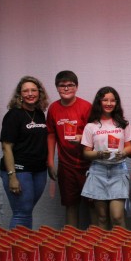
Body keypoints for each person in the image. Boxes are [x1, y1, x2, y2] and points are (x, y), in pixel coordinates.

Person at [0, 76, 49, 229]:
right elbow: (6, 147)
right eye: (25, 91)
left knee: (26, 210)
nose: (30, 94)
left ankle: (25, 243)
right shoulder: (13, 115)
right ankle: (17, 245)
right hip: (19, 170)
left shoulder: (39, 113)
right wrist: (12, 176)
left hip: (39, 170)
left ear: (39, 93)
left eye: (33, 90)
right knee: (21, 213)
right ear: (19, 94)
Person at [81, 87, 131, 229]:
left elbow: (129, 147)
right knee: (102, 217)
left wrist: (123, 153)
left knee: (117, 216)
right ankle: (103, 245)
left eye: (112, 100)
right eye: (105, 100)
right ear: (99, 102)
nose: (109, 103)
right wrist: (98, 154)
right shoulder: (91, 126)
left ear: (117, 103)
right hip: (98, 171)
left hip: (118, 170)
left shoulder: (124, 124)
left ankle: (120, 244)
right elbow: (86, 153)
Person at [46, 70, 92, 227]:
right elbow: (51, 135)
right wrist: (50, 161)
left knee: (94, 205)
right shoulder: (53, 108)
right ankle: (71, 240)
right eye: (62, 85)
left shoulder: (86, 106)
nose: (66, 88)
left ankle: (95, 240)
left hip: (88, 164)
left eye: (70, 85)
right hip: (66, 166)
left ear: (77, 87)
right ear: (56, 88)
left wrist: (82, 138)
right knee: (71, 205)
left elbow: (96, 133)